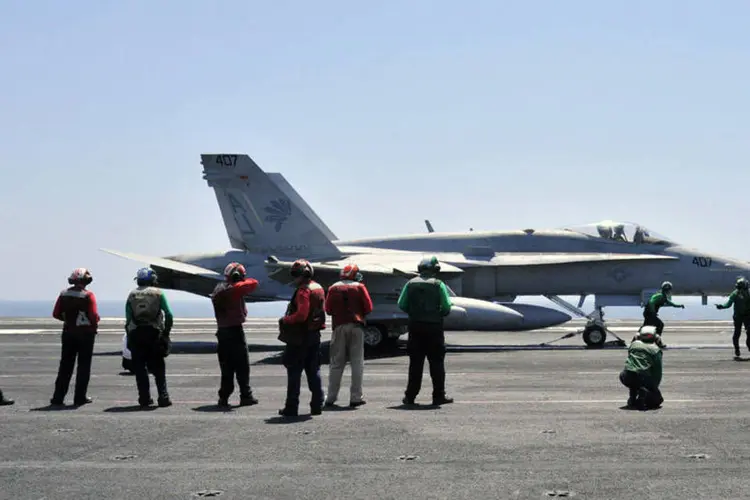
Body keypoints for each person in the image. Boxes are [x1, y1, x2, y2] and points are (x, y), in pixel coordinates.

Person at [397, 255, 454, 406]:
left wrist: (414, 313)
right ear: (435, 269)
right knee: (436, 363)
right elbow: (447, 307)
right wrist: (437, 314)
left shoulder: (410, 283)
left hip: (415, 327)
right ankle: (438, 396)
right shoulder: (438, 284)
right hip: (434, 328)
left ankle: (410, 397)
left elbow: (401, 304)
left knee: (415, 364)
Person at [277, 259, 326, 417]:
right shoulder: (318, 288)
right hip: (314, 335)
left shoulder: (303, 291)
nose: (294, 278)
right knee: (314, 371)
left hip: (300, 337)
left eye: (295, 275)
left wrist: (285, 320)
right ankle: (317, 405)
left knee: (294, 372)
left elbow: (301, 315)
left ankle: (291, 407)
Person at [323, 263, 373, 408]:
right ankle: (356, 397)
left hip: (339, 327)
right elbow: (368, 308)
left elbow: (328, 309)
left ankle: (331, 397)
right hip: (357, 327)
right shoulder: (360, 287)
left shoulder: (333, 288)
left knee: (336, 363)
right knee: (357, 363)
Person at [210, 262, 259, 408]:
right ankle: (246, 396)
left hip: (223, 332)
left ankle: (223, 398)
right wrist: (241, 280)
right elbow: (254, 283)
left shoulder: (219, 288)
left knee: (227, 368)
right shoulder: (234, 289)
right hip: (234, 332)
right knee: (242, 366)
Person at [125, 268, 174, 408]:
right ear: (152, 279)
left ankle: (144, 399)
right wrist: (166, 333)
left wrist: (129, 337)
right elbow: (169, 314)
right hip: (154, 333)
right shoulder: (158, 293)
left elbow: (128, 320)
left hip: (136, 334)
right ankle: (163, 397)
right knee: (159, 368)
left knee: (140, 369)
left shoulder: (131, 295)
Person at [50, 268, 100, 406]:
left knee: (65, 365)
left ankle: (58, 397)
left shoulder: (63, 294)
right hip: (86, 334)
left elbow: (56, 313)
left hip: (68, 332)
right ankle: (80, 397)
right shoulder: (88, 295)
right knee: (83, 366)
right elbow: (94, 316)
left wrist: (68, 320)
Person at [619, 326, 664, 410]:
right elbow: (657, 372)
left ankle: (633, 397)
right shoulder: (656, 350)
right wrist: (654, 388)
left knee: (634, 381)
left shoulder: (633, 345)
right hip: (642, 377)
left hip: (625, 376)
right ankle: (642, 397)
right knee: (657, 400)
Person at [715, 277, 750, 359]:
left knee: (749, 333)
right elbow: (728, 304)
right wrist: (721, 306)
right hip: (738, 316)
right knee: (737, 333)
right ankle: (737, 349)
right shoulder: (734, 294)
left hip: (747, 315)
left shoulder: (748, 293)